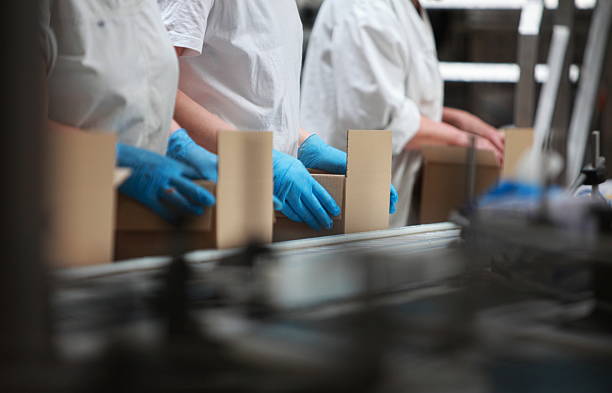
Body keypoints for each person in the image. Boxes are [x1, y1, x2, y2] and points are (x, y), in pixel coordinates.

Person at [157, 0, 398, 231]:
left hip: (263, 199)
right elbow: (154, 84)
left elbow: (256, 92)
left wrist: (301, 142)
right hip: (207, 192)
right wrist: (253, 156)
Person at [301, 0, 505, 228]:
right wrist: (460, 139)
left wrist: (456, 120)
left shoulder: (410, 7)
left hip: (385, 204)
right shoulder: (365, 7)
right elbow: (378, 121)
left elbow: (395, 99)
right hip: (344, 211)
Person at [42, 0, 217, 222]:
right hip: (61, 219)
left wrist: (177, 142)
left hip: (135, 218)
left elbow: (144, 87)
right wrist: (114, 159)